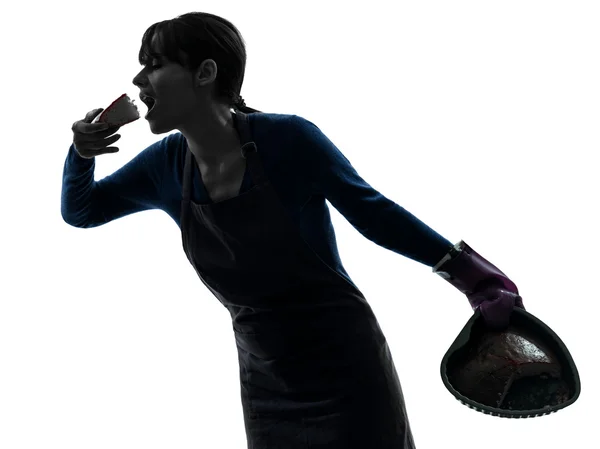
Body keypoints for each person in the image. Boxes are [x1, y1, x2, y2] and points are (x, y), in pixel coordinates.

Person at [62, 11, 525, 449]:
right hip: (267, 383)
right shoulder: (164, 167)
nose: (139, 80)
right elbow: (81, 210)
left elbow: (373, 213)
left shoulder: (287, 139)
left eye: (155, 65)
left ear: (204, 73)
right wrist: (81, 153)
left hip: (347, 369)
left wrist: (474, 277)